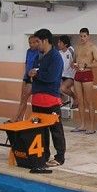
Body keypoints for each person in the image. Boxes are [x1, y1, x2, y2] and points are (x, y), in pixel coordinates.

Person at [29, 28, 66, 172]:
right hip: (37, 100)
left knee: (56, 130)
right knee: (40, 130)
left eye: (38, 41)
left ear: (45, 41)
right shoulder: (38, 56)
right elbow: (32, 73)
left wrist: (37, 75)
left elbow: (51, 77)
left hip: (51, 100)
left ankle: (60, 157)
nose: (36, 44)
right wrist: (31, 74)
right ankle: (44, 155)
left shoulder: (55, 57)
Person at [72, 28, 97, 135]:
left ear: (88, 36)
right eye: (81, 36)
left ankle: (92, 126)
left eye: (84, 36)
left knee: (89, 101)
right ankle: (82, 125)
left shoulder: (93, 47)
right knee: (80, 101)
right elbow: (73, 61)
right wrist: (73, 65)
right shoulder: (77, 47)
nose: (82, 38)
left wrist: (86, 65)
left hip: (87, 74)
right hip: (77, 74)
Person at [12, 35, 40, 122]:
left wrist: (32, 75)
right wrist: (25, 75)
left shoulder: (40, 52)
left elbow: (38, 66)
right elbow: (27, 63)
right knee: (22, 98)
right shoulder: (28, 51)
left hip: (33, 77)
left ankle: (16, 117)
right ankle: (20, 118)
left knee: (25, 97)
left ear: (37, 42)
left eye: (33, 42)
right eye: (30, 43)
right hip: (26, 76)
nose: (31, 44)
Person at [57, 35, 77, 107]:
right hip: (61, 75)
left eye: (60, 42)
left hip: (70, 75)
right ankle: (63, 98)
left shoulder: (71, 50)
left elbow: (76, 59)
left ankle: (75, 98)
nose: (58, 44)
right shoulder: (58, 53)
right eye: (58, 42)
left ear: (65, 44)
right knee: (54, 86)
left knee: (63, 88)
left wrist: (74, 64)